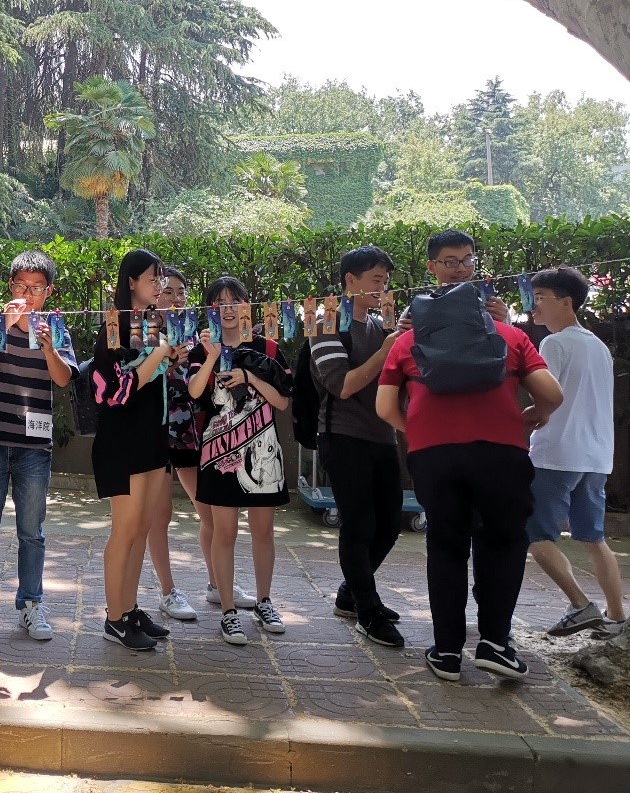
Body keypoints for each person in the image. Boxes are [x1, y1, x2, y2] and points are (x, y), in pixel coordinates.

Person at [377, 284, 563, 682]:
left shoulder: (407, 342)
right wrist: (536, 414)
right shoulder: (510, 336)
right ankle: (495, 644)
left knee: (446, 546)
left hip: (433, 457)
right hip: (501, 454)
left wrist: (419, 432)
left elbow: (384, 407)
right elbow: (553, 393)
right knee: (504, 543)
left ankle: (446, 652)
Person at [0, 250, 78, 642]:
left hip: (34, 448)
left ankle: (31, 605)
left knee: (32, 533)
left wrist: (49, 348)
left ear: (48, 292)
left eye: (36, 288)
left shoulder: (55, 327)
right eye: (21, 286)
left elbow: (63, 379)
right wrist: (3, 330)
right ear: (10, 286)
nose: (28, 294)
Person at [311, 246, 408, 648]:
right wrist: (386, 352)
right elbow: (342, 385)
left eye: (385, 280)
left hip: (383, 436)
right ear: (350, 281)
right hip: (342, 436)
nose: (382, 287)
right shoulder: (326, 323)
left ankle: (352, 593)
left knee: (389, 524)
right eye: (375, 279)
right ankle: (367, 612)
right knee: (360, 525)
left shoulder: (383, 325)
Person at [145, 268, 255, 622]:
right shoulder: (144, 330)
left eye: (181, 292)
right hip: (154, 432)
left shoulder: (195, 332)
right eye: (168, 291)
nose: (176, 298)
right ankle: (168, 592)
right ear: (155, 293)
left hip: (192, 431)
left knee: (208, 512)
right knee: (160, 515)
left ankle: (217, 584)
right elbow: (135, 380)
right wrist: (164, 361)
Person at [188, 277, 292, 647]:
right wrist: (212, 355)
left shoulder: (268, 347)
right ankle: (228, 610)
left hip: (263, 450)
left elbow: (282, 401)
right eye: (219, 303)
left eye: (235, 301)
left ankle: (264, 602)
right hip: (219, 453)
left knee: (263, 531)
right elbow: (195, 391)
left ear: (247, 305)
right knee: (225, 531)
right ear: (210, 309)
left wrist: (249, 376)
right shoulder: (201, 347)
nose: (228, 309)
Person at [525, 267, 624, 638]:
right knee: (593, 538)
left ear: (566, 302)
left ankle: (580, 604)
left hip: (556, 454)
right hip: (596, 457)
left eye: (540, 299)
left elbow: (545, 397)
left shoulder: (555, 344)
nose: (533, 307)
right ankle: (617, 618)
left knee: (537, 536)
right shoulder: (599, 347)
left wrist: (521, 419)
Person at [91, 248, 174, 651]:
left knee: (142, 527)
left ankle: (129, 608)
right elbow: (115, 391)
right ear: (131, 282)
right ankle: (114, 618)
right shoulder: (114, 326)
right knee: (124, 530)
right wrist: (159, 354)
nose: (159, 286)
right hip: (122, 441)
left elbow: (154, 375)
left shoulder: (153, 323)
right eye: (152, 279)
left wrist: (168, 356)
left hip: (153, 437)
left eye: (161, 279)